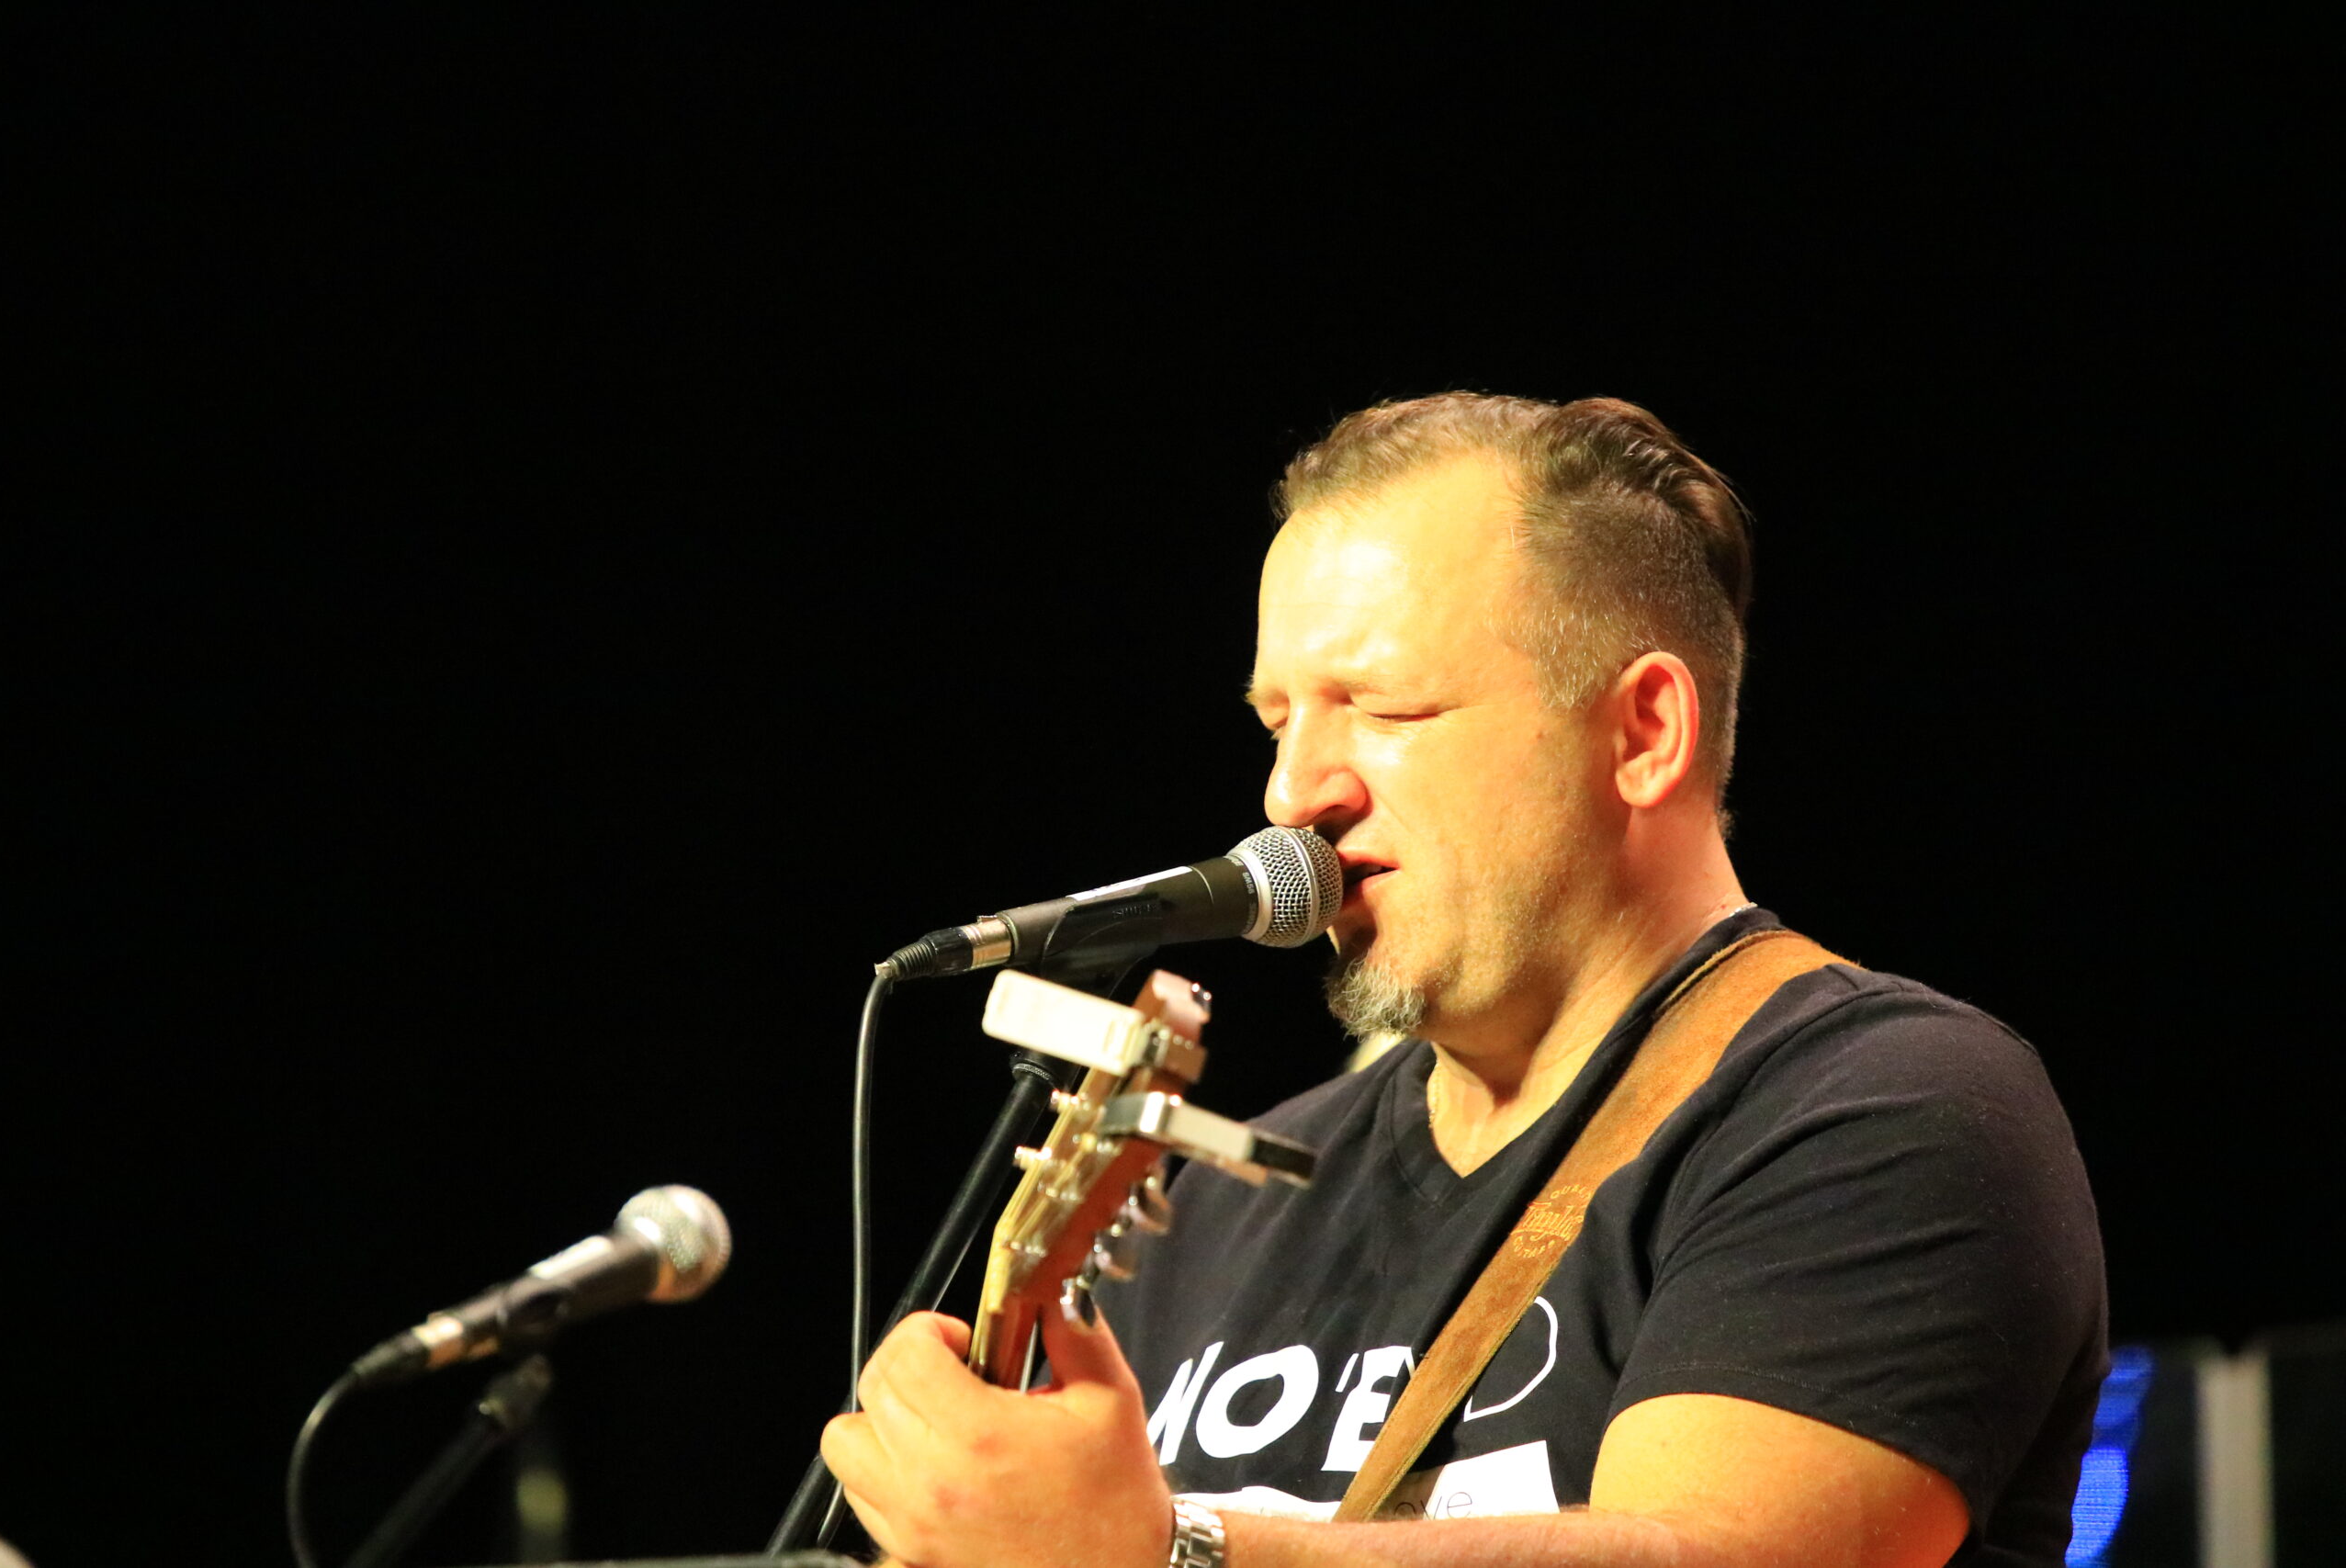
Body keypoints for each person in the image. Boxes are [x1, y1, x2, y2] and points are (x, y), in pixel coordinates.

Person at [821, 394, 2106, 1567]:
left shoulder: (1891, 1108)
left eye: (1384, 708)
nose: (1291, 794)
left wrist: (1171, 1554)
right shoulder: (1213, 1203)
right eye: (1278, 720)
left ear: (1643, 732)